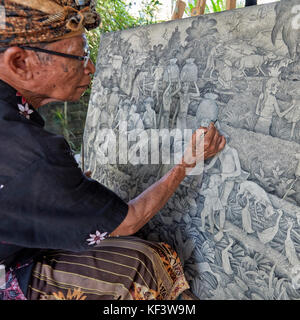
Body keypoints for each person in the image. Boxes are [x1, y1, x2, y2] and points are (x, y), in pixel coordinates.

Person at [0, 0, 225, 300]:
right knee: (139, 264)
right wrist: (187, 162)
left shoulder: (16, 125)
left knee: (146, 253)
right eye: (80, 57)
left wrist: (62, 188)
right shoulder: (33, 154)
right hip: (9, 271)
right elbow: (130, 220)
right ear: (20, 63)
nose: (90, 68)